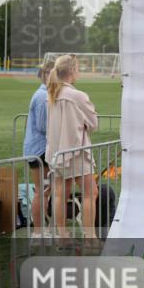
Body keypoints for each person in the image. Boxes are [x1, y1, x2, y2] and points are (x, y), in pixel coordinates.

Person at [45, 54, 99, 241]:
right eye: (78, 69)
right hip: (76, 151)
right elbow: (93, 123)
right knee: (90, 193)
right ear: (72, 71)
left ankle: (62, 234)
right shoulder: (77, 95)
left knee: (60, 194)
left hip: (57, 152)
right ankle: (89, 236)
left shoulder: (52, 93)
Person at [23, 58, 56, 236]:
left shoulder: (43, 94)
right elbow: (43, 126)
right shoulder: (43, 96)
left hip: (39, 148)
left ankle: (42, 229)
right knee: (41, 192)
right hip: (39, 150)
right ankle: (38, 231)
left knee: (45, 191)